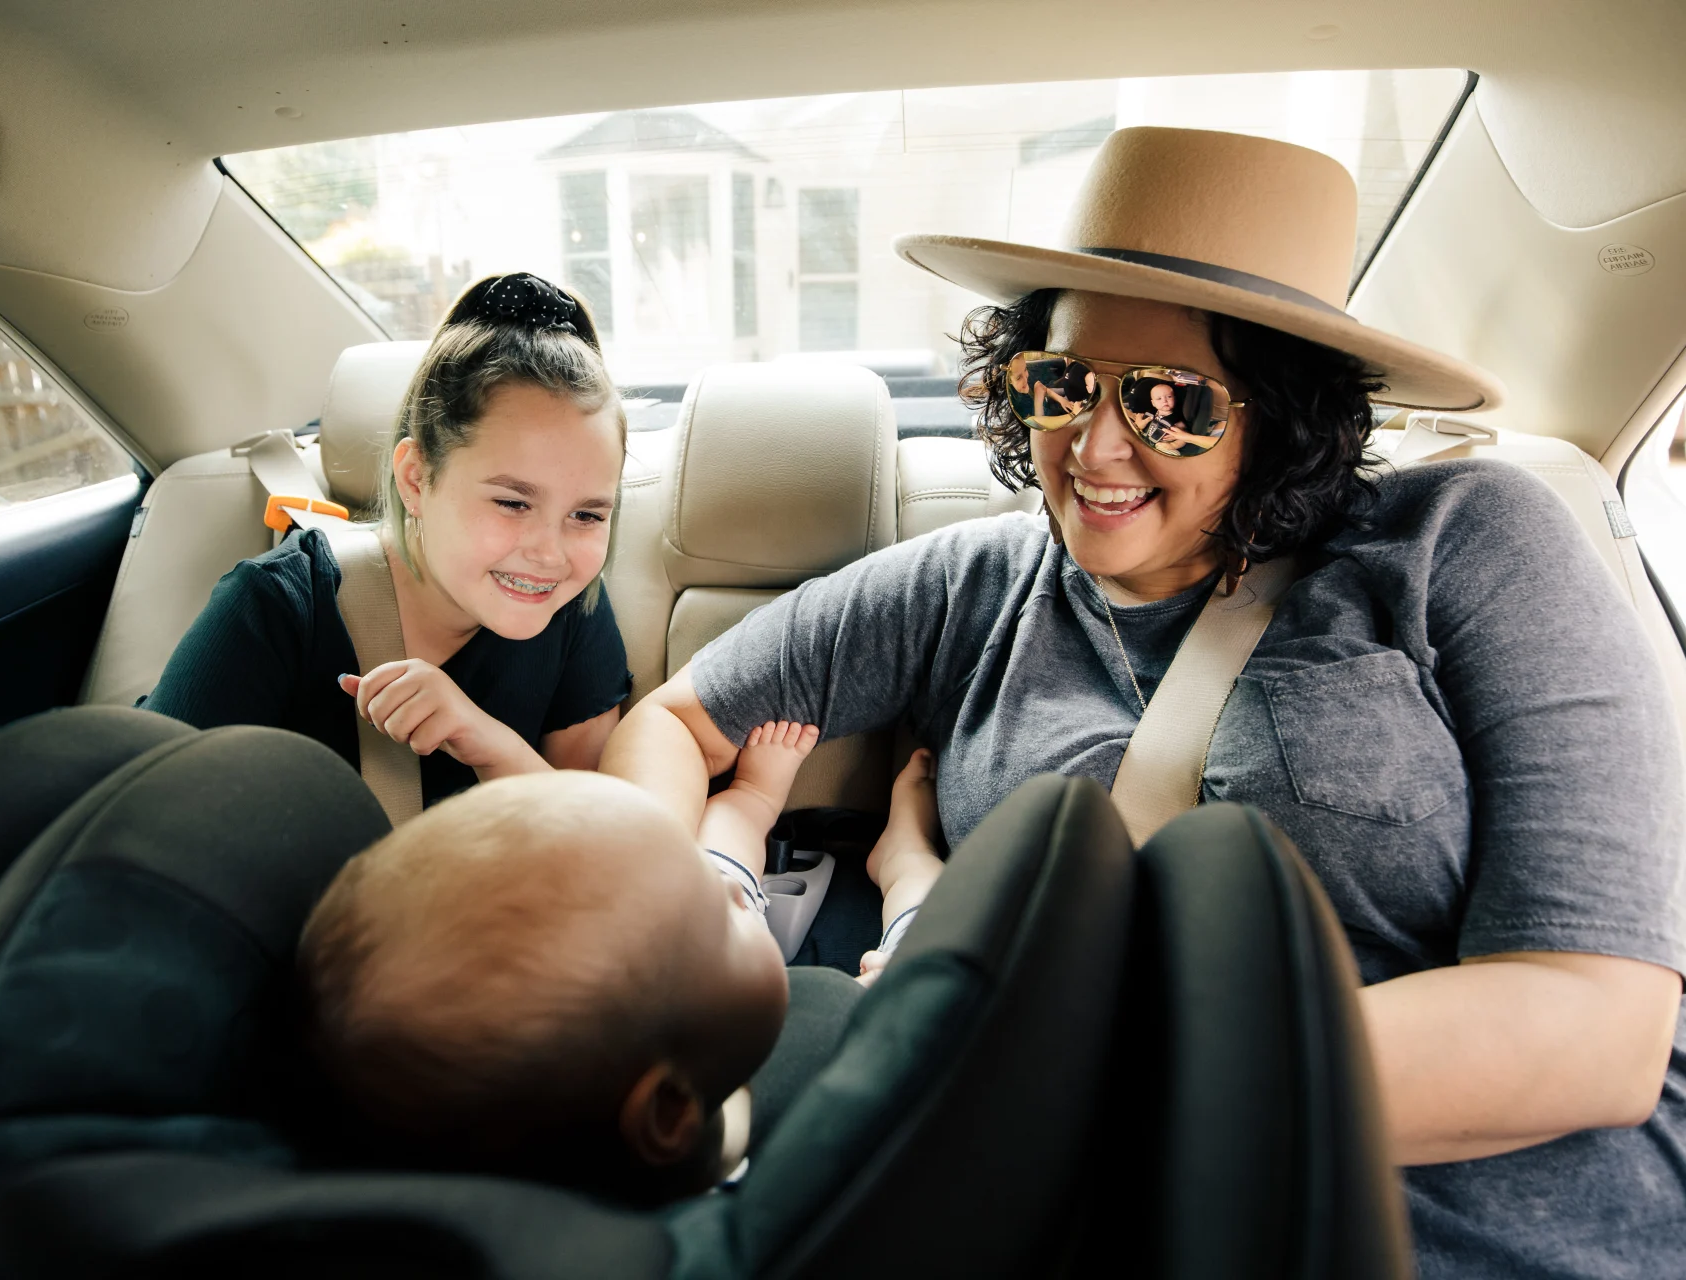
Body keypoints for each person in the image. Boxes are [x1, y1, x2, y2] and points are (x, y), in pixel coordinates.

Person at [602, 126, 1686, 1277]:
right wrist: (678, 932)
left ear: (1283, 412)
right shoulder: (970, 585)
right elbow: (676, 721)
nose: (1096, 443)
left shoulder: (1465, 542)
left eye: (1174, 401)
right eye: (1061, 383)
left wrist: (1067, 1070)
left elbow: (1597, 1022)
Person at [296, 725, 943, 1204]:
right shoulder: (805, 1181)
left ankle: (749, 800)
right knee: (909, 963)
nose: (728, 896)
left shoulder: (632, 1075)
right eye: (723, 917)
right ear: (667, 1113)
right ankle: (903, 856)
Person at [146, 273, 633, 808]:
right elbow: (145, 829)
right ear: (415, 480)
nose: (550, 554)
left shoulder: (572, 609)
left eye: (586, 515)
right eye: (513, 503)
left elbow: (596, 844)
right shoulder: (276, 609)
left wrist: (491, 747)